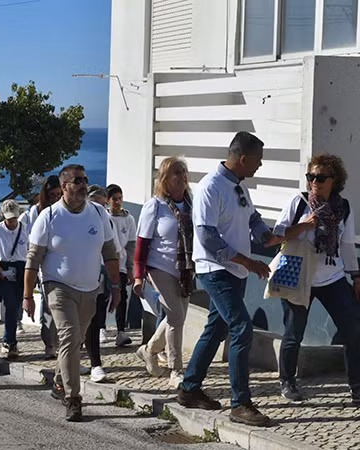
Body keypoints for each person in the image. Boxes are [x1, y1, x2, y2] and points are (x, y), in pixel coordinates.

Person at [178, 131, 283, 427]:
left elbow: (251, 218)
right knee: (241, 328)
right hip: (215, 270)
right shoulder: (211, 186)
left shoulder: (238, 187)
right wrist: (249, 262)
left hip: (235, 271)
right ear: (244, 159)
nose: (259, 167)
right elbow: (208, 238)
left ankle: (189, 388)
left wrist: (267, 235)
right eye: (258, 161)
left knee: (216, 328)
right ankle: (240, 404)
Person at [23, 164, 121, 422]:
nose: (83, 185)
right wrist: (27, 295)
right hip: (58, 286)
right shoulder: (49, 216)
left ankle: (58, 382)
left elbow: (110, 252)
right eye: (78, 181)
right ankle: (73, 398)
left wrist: (116, 285)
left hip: (90, 288)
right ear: (65, 186)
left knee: (75, 342)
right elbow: (33, 258)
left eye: (86, 180)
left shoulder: (99, 214)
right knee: (69, 337)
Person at [272, 154, 360, 406]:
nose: (315, 182)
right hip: (300, 276)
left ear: (335, 180)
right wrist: (304, 226)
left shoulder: (343, 208)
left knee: (353, 330)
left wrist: (356, 277)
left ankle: (357, 389)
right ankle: (287, 381)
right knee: (294, 333)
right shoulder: (298, 203)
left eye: (321, 178)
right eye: (311, 177)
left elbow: (346, 244)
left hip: (332, 278)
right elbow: (277, 235)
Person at [133, 156, 194, 388]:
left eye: (183, 172)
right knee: (176, 317)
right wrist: (138, 276)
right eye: (176, 173)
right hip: (159, 268)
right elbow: (141, 244)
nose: (182, 177)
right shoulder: (155, 206)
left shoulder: (191, 203)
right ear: (165, 179)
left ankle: (148, 350)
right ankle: (176, 370)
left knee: (176, 317)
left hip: (185, 269)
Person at [20, 175, 62, 358]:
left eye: (58, 194)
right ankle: (49, 344)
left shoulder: (64, 210)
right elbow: (30, 243)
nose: (55, 197)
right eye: (52, 194)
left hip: (62, 266)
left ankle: (63, 345)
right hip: (44, 268)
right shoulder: (35, 213)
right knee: (48, 307)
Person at [83, 185, 119, 383]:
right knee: (75, 327)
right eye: (97, 203)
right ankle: (65, 368)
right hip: (74, 280)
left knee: (95, 322)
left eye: (103, 204)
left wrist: (115, 284)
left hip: (98, 277)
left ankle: (95, 364)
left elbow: (113, 251)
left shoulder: (106, 221)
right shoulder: (78, 218)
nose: (101, 208)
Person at [0, 199, 28, 359]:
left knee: (17, 305)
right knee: (10, 304)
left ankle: (11, 337)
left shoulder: (24, 229)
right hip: (4, 268)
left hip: (21, 268)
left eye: (14, 218)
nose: (12, 222)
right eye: (9, 218)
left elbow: (30, 250)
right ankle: (9, 341)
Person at [106, 184, 137, 347]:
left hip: (123, 264)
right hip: (106, 263)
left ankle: (120, 330)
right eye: (114, 199)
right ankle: (101, 328)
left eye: (120, 198)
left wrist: (130, 267)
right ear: (108, 200)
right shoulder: (105, 217)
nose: (118, 202)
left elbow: (131, 244)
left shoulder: (129, 219)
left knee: (122, 297)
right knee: (104, 296)